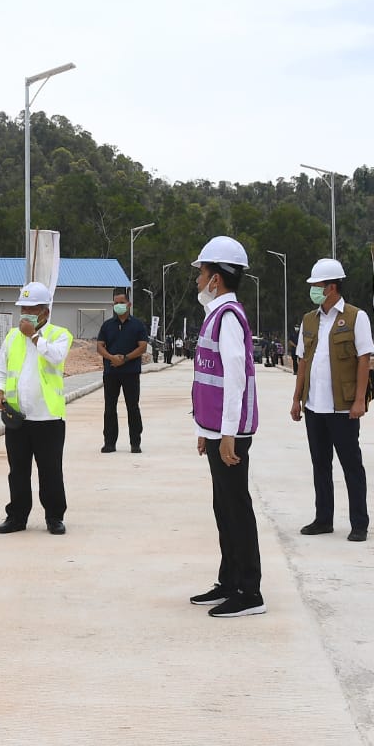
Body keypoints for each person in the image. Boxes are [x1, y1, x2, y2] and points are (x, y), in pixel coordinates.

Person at [187, 236, 265, 617]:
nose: (198, 280)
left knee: (237, 507)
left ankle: (250, 592)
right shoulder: (215, 314)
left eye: (202, 273)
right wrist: (205, 429)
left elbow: (235, 380)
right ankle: (229, 580)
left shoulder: (229, 317)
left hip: (230, 436)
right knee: (223, 507)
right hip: (217, 430)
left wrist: (229, 435)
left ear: (216, 278)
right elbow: (209, 380)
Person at [291, 258, 372, 542]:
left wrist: (360, 400)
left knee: (351, 466)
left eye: (317, 285)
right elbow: (302, 362)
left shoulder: (355, 317)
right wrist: (296, 399)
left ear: (332, 287)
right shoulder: (309, 320)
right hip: (315, 407)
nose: (313, 290)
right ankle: (323, 518)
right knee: (320, 465)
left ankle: (359, 523)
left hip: (343, 407)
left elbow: (364, 360)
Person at [0, 282, 72, 535]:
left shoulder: (59, 334)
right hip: (18, 417)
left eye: (31, 309)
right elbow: (1, 368)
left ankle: (54, 517)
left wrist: (35, 337)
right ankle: (16, 516)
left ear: (45, 313)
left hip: (48, 417)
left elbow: (56, 357)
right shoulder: (12, 336)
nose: (25, 314)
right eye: (22, 308)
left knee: (50, 470)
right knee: (18, 470)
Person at [96, 291, 149, 453]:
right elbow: (99, 346)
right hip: (111, 373)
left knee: (132, 407)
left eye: (121, 302)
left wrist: (125, 359)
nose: (118, 306)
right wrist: (112, 358)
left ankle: (135, 442)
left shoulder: (138, 325)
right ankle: (109, 443)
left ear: (129, 304)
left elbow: (143, 347)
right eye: (115, 303)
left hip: (131, 372)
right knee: (110, 407)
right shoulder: (107, 325)